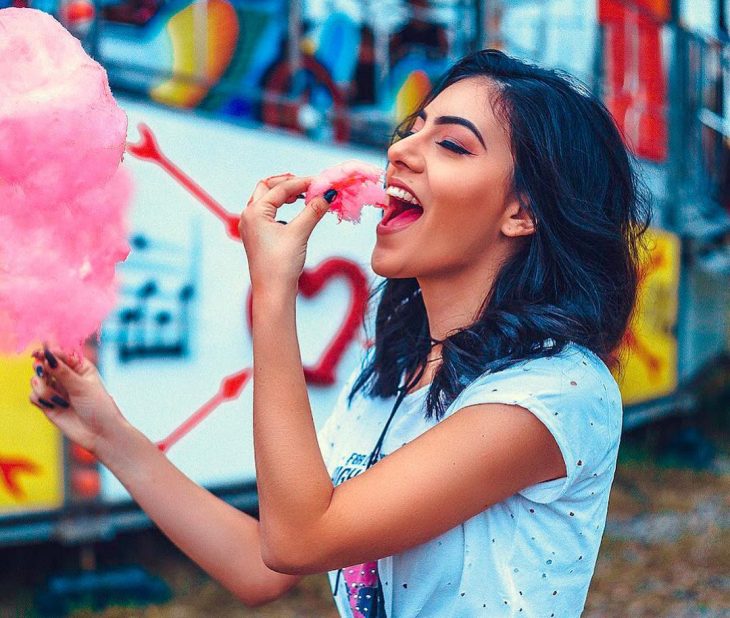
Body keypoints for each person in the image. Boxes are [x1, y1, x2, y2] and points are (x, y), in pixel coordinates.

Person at [30, 49, 650, 617]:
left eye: (453, 146)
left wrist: (275, 293)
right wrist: (109, 435)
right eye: (414, 128)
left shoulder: (555, 391)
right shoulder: (391, 370)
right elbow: (262, 563)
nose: (402, 150)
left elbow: (301, 537)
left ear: (524, 211)